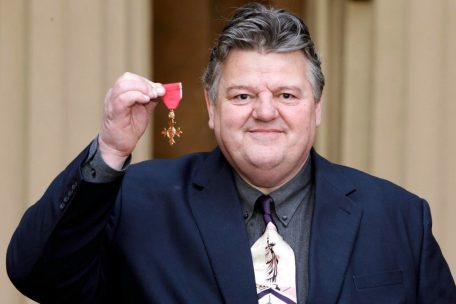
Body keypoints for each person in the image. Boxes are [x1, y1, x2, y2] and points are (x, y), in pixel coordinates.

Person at [7, 3, 455, 304]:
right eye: (242, 96)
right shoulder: (140, 200)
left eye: (286, 95)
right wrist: (109, 150)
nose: (265, 112)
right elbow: (38, 275)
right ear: (211, 107)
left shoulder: (399, 218)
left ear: (317, 107)